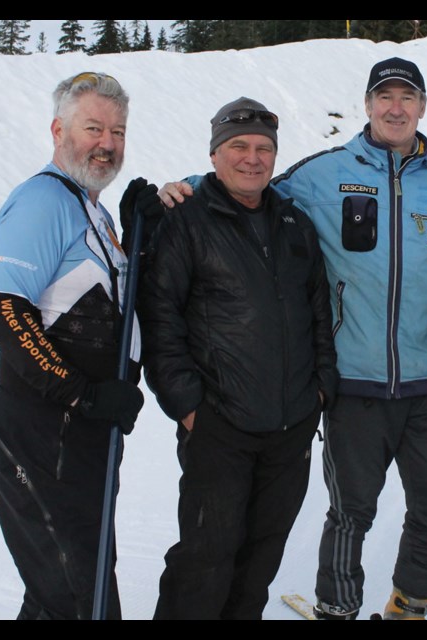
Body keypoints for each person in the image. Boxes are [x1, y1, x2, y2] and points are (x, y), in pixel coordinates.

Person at [158, 58, 427, 620]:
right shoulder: (324, 173)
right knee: (351, 511)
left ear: (423, 108)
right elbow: (248, 184)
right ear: (367, 105)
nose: (396, 107)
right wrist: (182, 189)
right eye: (385, 96)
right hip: (355, 377)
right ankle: (338, 607)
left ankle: (410, 605)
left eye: (408, 97)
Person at [138, 97, 339, 620]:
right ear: (214, 154)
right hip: (219, 426)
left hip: (290, 425)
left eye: (263, 149)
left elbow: (319, 310)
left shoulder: (294, 222)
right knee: (204, 561)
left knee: (259, 562)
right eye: (238, 146)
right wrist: (188, 406)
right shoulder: (186, 221)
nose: (252, 158)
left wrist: (320, 389)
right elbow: (160, 318)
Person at [0, 71, 161, 619]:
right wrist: (82, 395)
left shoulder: (91, 209)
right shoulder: (42, 199)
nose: (107, 143)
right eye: (94, 128)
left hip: (82, 436)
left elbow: (94, 301)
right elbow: (6, 313)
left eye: (118, 131)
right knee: (80, 595)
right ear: (59, 130)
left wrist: (136, 237)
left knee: (67, 589)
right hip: (39, 430)